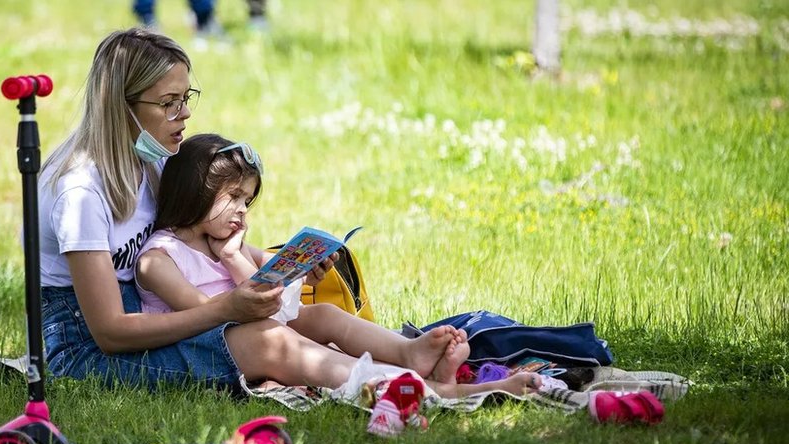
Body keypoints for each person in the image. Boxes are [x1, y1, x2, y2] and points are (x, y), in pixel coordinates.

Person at [36, 27, 541, 400]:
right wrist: (228, 309)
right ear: (119, 107)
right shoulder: (83, 190)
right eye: (168, 103)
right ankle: (422, 391)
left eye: (185, 98)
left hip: (165, 315)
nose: (184, 115)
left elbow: (198, 240)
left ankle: (408, 365)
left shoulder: (151, 158)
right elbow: (109, 330)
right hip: (86, 347)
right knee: (268, 342)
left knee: (304, 320)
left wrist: (286, 263)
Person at [133, 133, 542, 398]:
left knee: (325, 314)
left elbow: (273, 277)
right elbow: (209, 317)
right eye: (233, 198)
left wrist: (303, 264)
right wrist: (233, 259)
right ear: (195, 193)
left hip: (249, 333)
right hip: (203, 351)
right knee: (284, 341)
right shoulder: (159, 261)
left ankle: (408, 353)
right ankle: (415, 387)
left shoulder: (216, 239)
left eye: (247, 201)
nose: (242, 211)